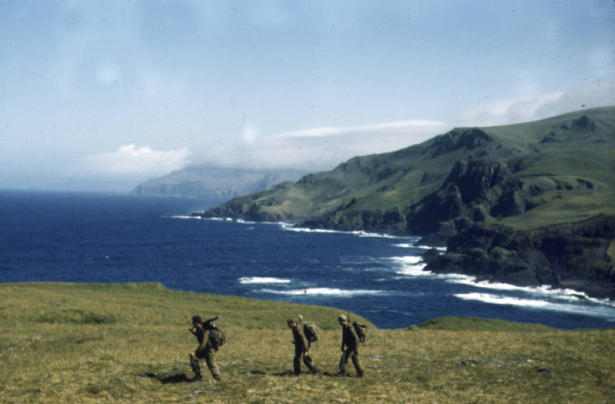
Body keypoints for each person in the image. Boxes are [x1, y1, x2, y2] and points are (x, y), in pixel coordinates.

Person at [189, 315, 222, 381]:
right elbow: (199, 336)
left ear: (197, 322)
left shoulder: (205, 330)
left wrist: (195, 352)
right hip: (205, 350)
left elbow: (203, 344)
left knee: (212, 364)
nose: (192, 324)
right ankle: (198, 376)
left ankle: (218, 379)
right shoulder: (200, 329)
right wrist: (193, 332)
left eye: (193, 322)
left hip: (209, 350)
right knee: (194, 358)